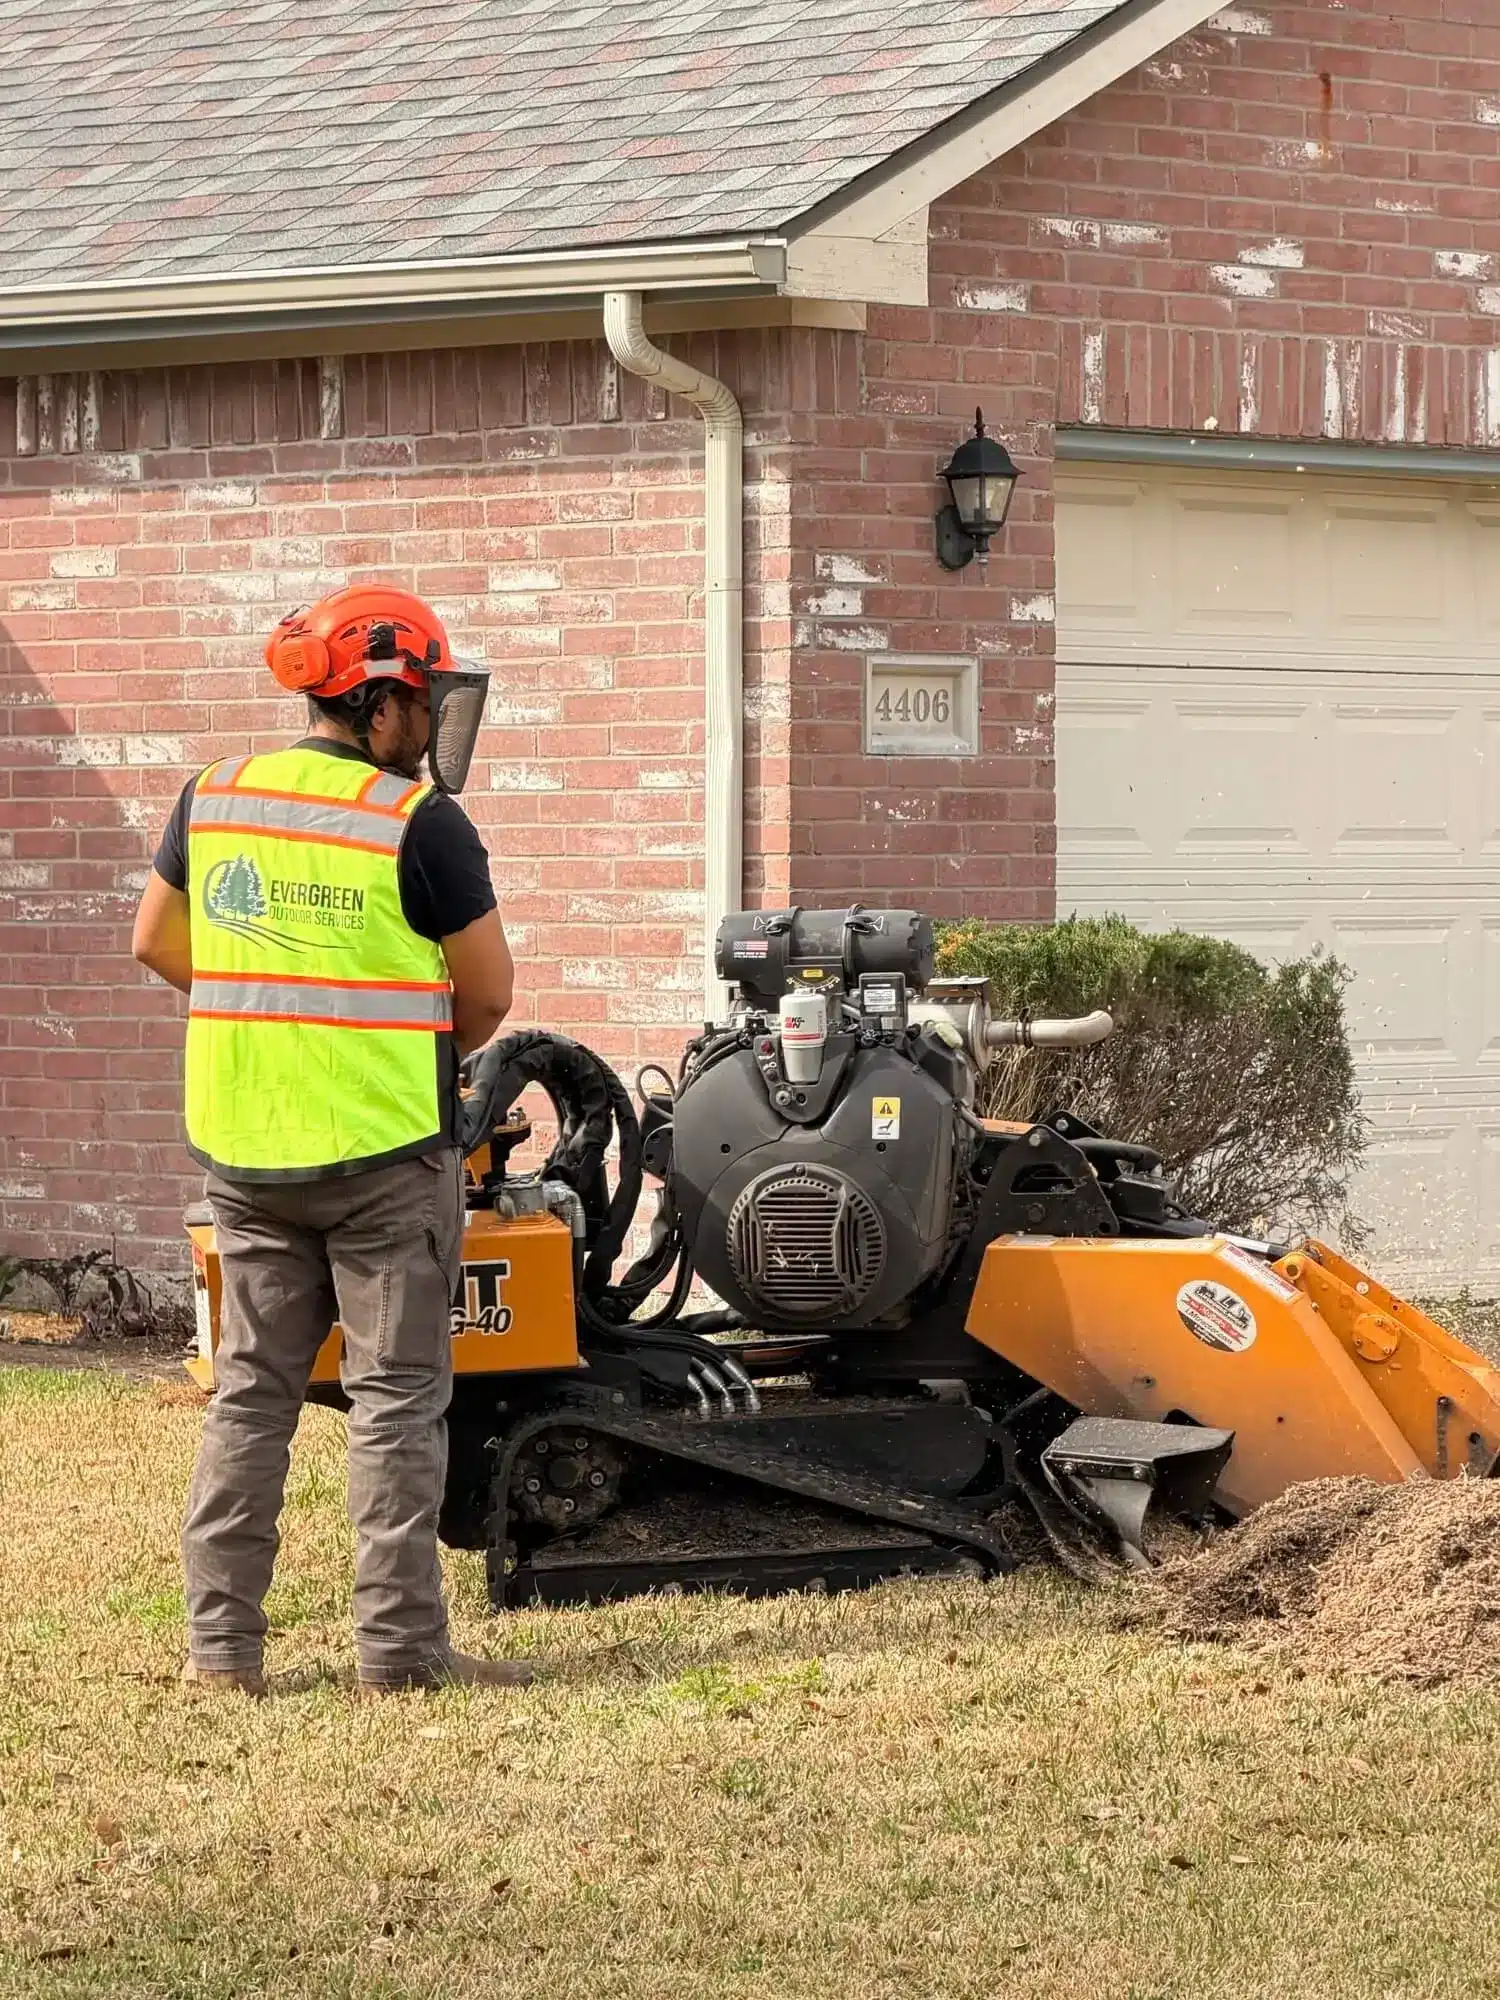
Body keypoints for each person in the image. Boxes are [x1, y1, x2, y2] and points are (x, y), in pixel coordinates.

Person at [132, 584, 530, 1697]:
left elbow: (155, 940)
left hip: (249, 1155)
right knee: (396, 1402)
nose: (433, 724)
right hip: (382, 1157)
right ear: (384, 700)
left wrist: (272, 1013)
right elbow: (489, 993)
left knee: (252, 1395)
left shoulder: (211, 796)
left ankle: (221, 1654)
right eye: (426, 698)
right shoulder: (419, 823)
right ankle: (399, 1656)